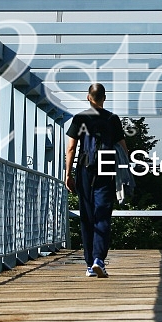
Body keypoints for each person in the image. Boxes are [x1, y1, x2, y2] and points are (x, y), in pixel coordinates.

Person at [64, 83, 127, 278]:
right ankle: (99, 258)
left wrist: (68, 174)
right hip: (107, 166)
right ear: (104, 98)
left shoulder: (80, 118)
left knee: (87, 215)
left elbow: (71, 149)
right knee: (103, 214)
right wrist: (125, 173)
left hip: (85, 166)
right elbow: (123, 148)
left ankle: (90, 264)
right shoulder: (112, 119)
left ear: (88, 97)